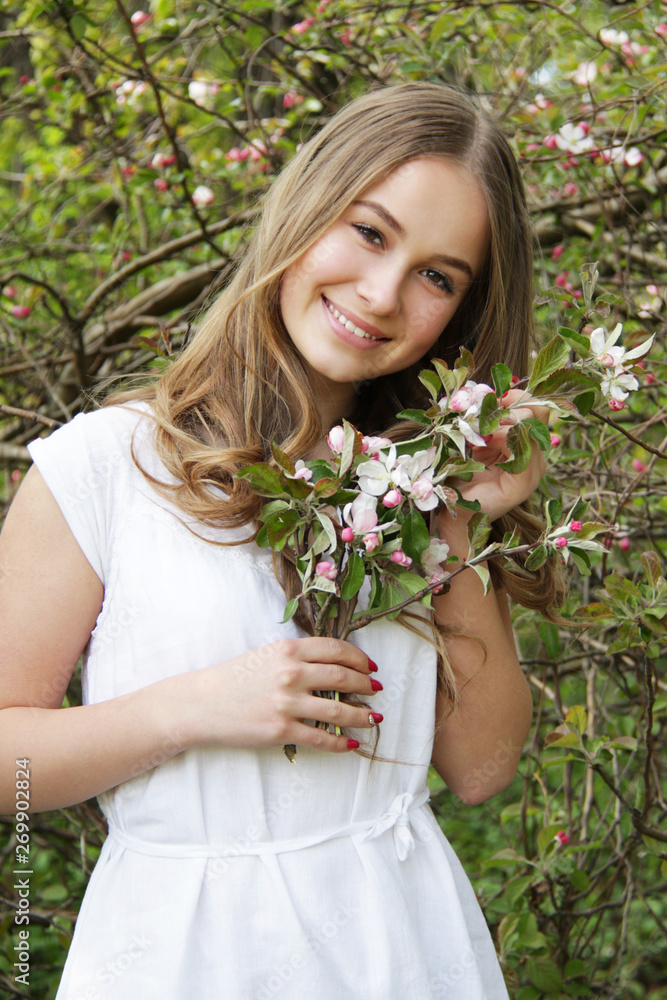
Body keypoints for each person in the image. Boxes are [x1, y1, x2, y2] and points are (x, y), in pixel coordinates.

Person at [0, 82, 564, 999]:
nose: (381, 294)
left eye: (437, 276)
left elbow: (480, 769)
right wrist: (194, 709)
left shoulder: (414, 489)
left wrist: (457, 519)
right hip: (181, 953)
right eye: (369, 232)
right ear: (305, 208)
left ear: (460, 314)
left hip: (401, 952)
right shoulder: (105, 468)